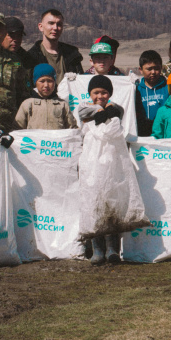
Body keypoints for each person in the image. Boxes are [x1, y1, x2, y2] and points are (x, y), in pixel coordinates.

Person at [75, 74, 125, 265]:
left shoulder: (116, 108)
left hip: (111, 160)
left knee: (111, 201)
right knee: (94, 202)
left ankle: (113, 249)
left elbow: (117, 115)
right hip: (91, 161)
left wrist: (108, 111)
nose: (100, 96)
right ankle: (97, 248)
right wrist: (101, 111)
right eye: (96, 92)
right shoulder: (83, 108)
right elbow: (85, 115)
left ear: (110, 93)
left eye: (104, 92)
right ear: (90, 93)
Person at [14, 64, 78, 130]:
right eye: (42, 81)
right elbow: (18, 128)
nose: (46, 85)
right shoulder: (28, 104)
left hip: (56, 140)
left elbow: (72, 128)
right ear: (35, 82)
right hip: (35, 140)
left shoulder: (62, 105)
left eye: (50, 81)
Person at [27, 9, 83, 78]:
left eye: (59, 24)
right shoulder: (31, 57)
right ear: (41, 27)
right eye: (51, 23)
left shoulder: (72, 54)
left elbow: (80, 80)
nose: (55, 28)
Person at [135, 50, 168, 137]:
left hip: (164, 132)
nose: (153, 72)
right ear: (140, 70)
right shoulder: (136, 90)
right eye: (149, 69)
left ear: (161, 68)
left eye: (156, 68)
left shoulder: (168, 87)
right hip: (142, 133)